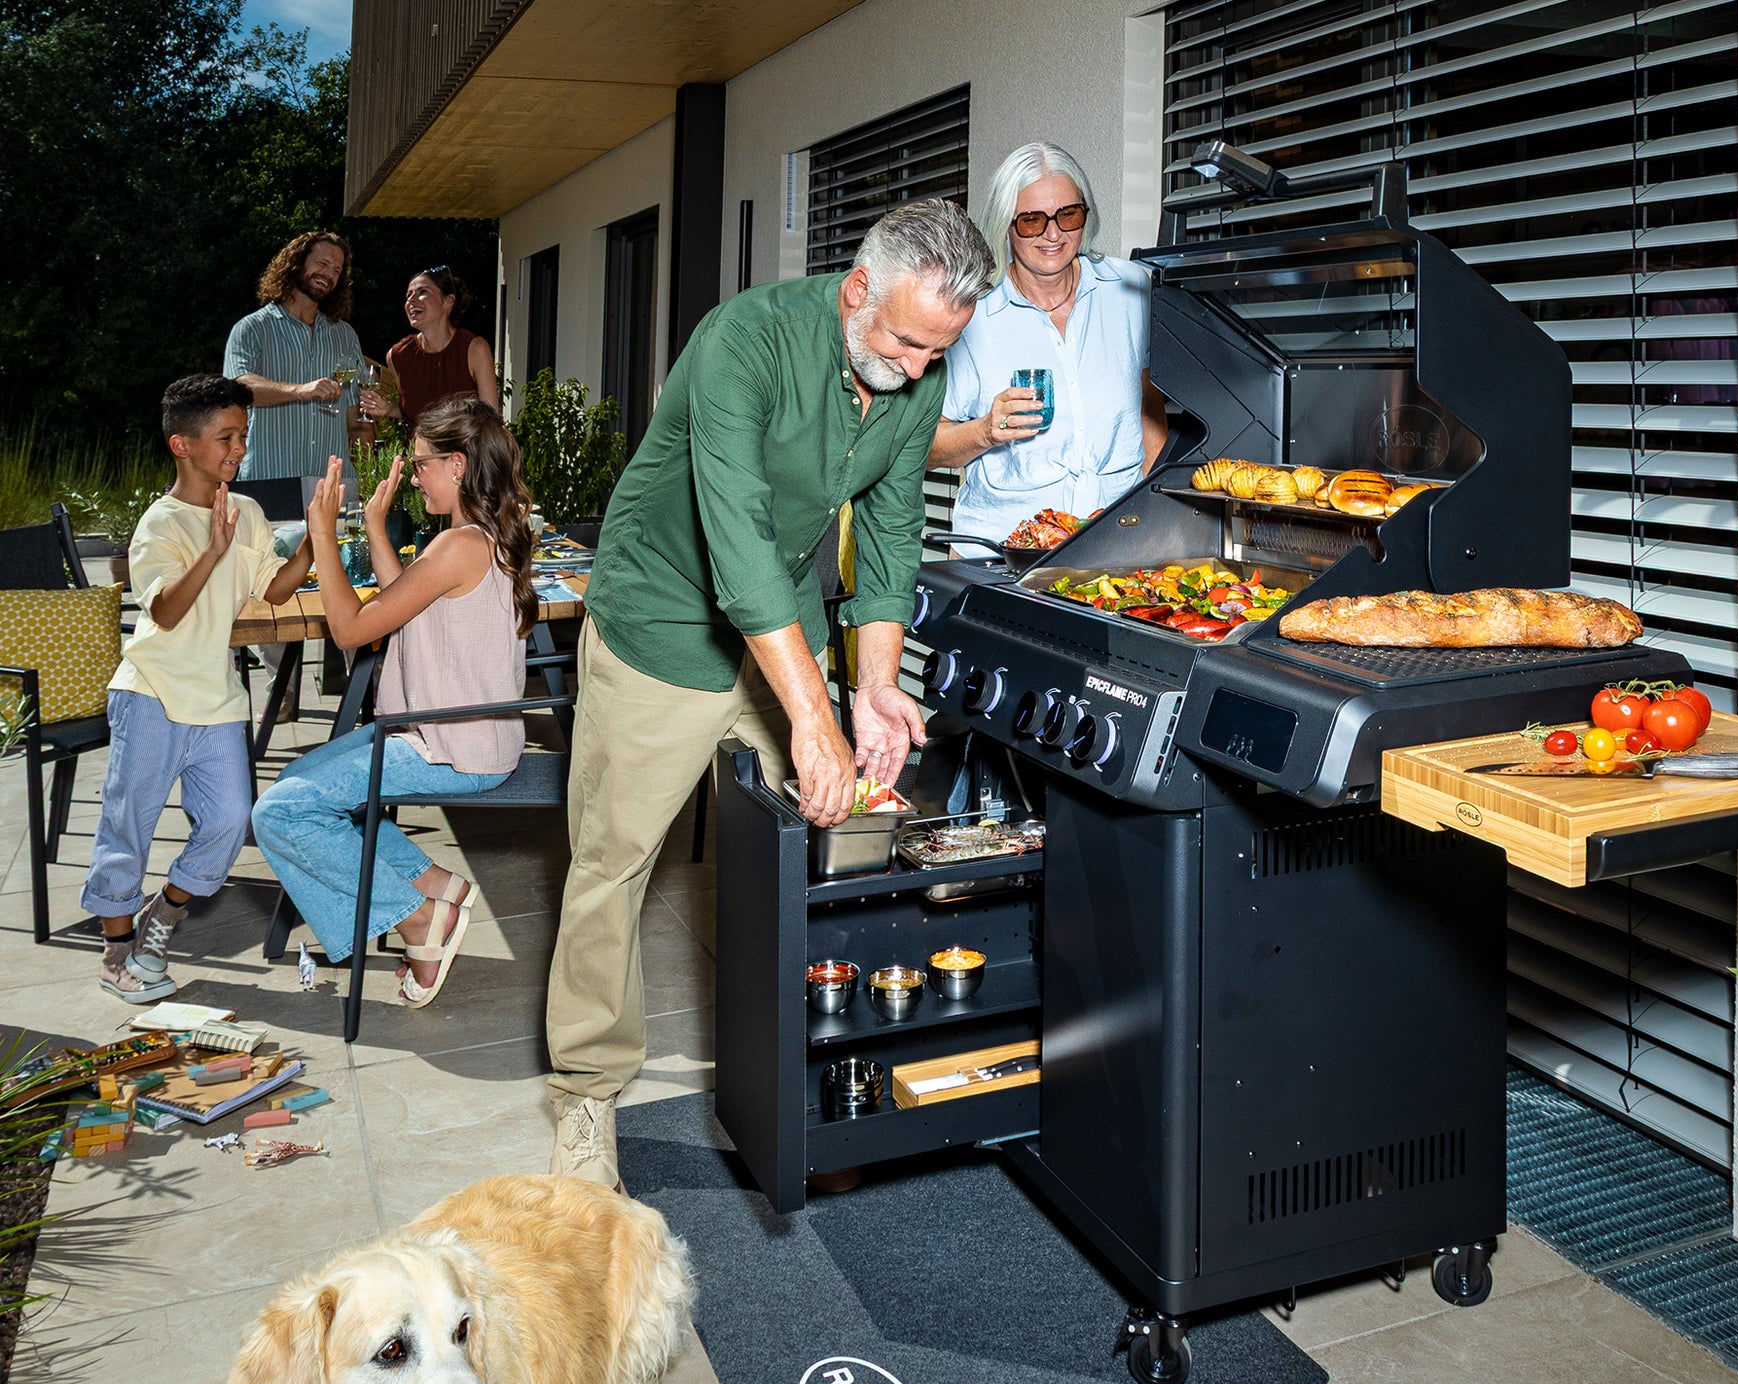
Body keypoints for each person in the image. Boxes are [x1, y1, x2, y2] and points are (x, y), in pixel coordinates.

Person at [545, 198, 993, 1189]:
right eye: (908, 342)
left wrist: (872, 686)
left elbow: (890, 532)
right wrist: (812, 717)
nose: (923, 367)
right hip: (661, 622)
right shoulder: (742, 342)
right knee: (612, 864)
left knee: (817, 849)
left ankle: (805, 1079)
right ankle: (586, 1095)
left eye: (940, 350)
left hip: (780, 628)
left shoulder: (914, 371)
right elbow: (738, 538)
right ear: (857, 291)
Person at [251, 399, 535, 1008]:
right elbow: (402, 602)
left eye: (421, 463)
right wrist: (377, 529)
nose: (414, 476)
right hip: (461, 733)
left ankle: (418, 918)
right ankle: (435, 884)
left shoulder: (458, 546)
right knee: (300, 782)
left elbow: (351, 630)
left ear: (458, 465)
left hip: (454, 745)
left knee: (282, 812)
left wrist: (322, 535)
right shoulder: (477, 537)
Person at [84, 376, 315, 1001]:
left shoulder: (249, 513)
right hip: (152, 694)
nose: (239, 448)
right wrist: (211, 550)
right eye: (226, 437)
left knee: (230, 821)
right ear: (181, 444)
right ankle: (115, 954)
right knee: (128, 827)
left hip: (216, 697)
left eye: (243, 435)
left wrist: (315, 538)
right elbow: (163, 611)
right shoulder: (159, 525)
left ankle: (162, 917)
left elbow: (274, 588)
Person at [930, 143, 1169, 542]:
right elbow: (925, 447)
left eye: (1068, 215)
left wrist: (1157, 516)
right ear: (1006, 224)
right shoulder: (970, 313)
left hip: (1113, 542)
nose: (1053, 234)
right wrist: (986, 431)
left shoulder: (1131, 290)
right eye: (1032, 221)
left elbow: (1149, 409)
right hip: (1003, 549)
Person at [224, 231, 367, 494]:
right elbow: (238, 389)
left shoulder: (345, 335)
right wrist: (300, 391)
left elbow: (356, 420)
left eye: (336, 270)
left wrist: (368, 475)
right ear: (296, 263)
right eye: (322, 263)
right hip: (270, 481)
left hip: (333, 484)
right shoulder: (252, 328)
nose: (329, 274)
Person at [359, 265, 500, 431]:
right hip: (418, 447)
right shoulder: (398, 355)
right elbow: (412, 414)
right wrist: (389, 409)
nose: (411, 300)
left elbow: (491, 419)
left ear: (448, 302)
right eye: (408, 295)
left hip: (463, 447)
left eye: (422, 292)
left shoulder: (474, 349)